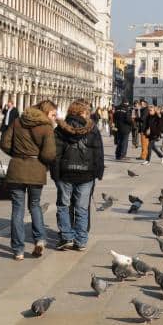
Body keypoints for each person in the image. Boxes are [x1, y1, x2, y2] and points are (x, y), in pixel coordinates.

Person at [0, 100, 57, 261]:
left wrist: (17, 155)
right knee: (35, 205)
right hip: (36, 170)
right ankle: (39, 239)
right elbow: (49, 155)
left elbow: (4, 143)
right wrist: (38, 158)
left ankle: (18, 250)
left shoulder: (18, 122)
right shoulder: (46, 127)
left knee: (17, 209)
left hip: (16, 168)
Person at [51, 99, 104, 251]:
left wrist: (56, 173)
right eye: (86, 112)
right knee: (81, 208)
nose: (88, 114)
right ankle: (81, 240)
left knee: (63, 205)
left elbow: (55, 154)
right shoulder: (92, 129)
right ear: (81, 112)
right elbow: (98, 152)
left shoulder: (60, 129)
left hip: (65, 173)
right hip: (86, 175)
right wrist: (98, 171)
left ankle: (67, 237)